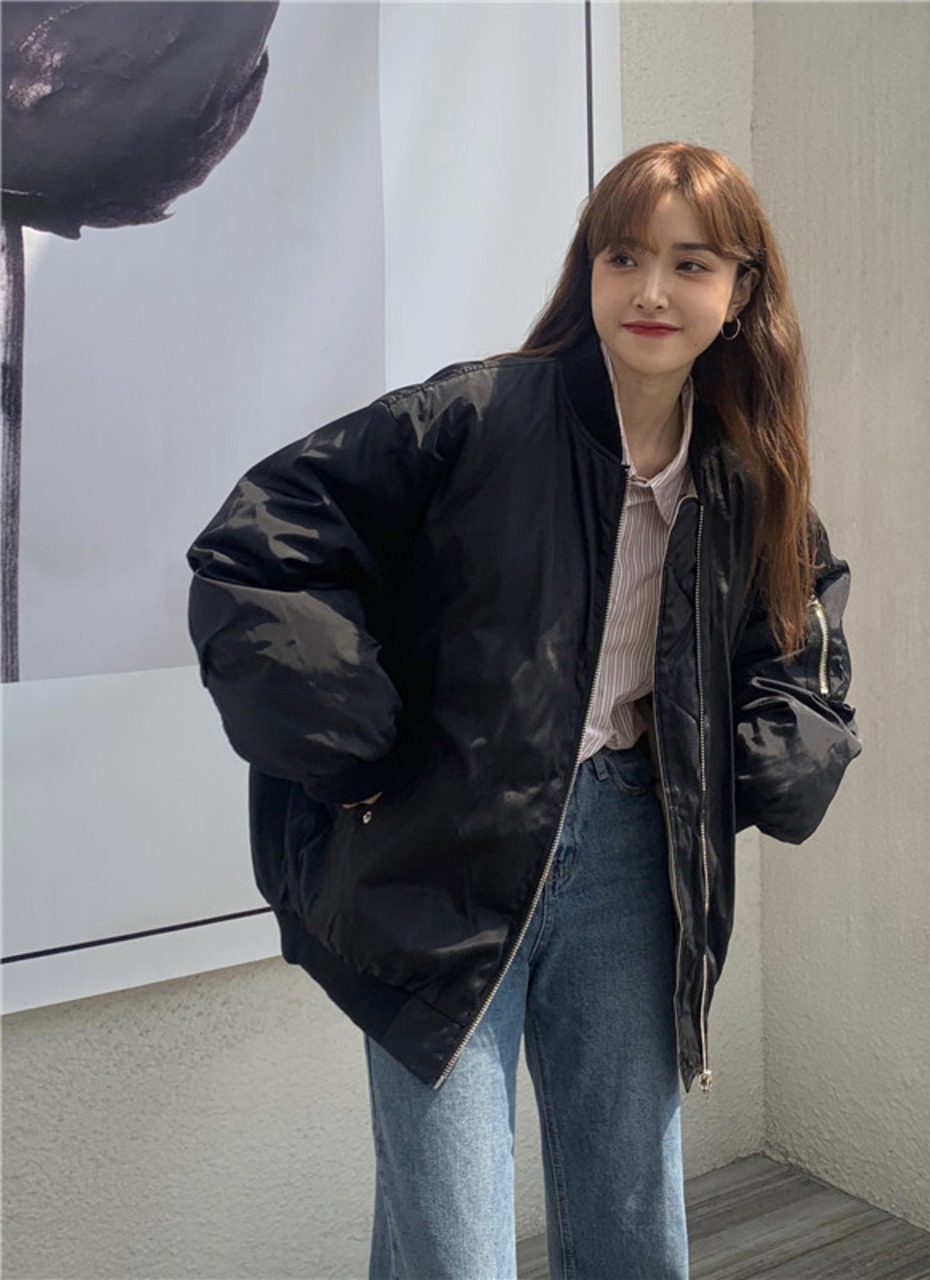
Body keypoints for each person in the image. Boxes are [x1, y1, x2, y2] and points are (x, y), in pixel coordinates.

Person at [187, 141, 861, 1280]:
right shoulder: (476, 416)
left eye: (691, 264)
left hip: (633, 861)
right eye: (623, 256)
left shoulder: (741, 473)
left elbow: (799, 629)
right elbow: (258, 550)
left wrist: (771, 754)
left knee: (629, 1219)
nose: (652, 291)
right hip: (446, 853)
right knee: (454, 1240)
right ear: (587, 270)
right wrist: (357, 747)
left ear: (741, 291)